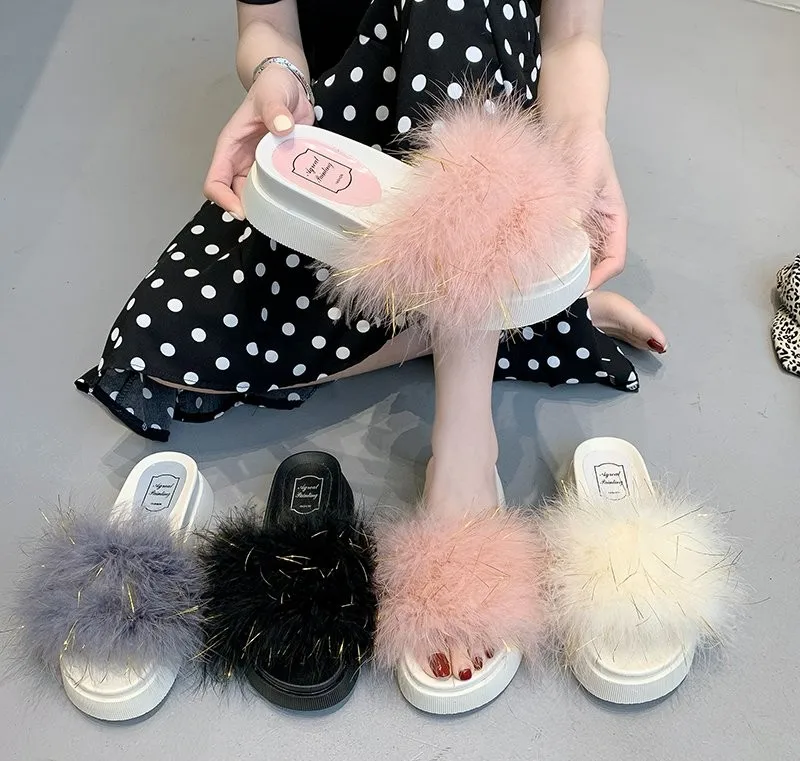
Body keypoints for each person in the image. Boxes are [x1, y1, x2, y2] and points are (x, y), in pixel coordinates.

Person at [75, 0, 665, 678]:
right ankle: (515, 310)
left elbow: (572, 36)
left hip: (490, 150)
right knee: (159, 357)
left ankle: (466, 448)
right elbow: (267, 25)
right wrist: (274, 74)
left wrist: (583, 131)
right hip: (351, 156)